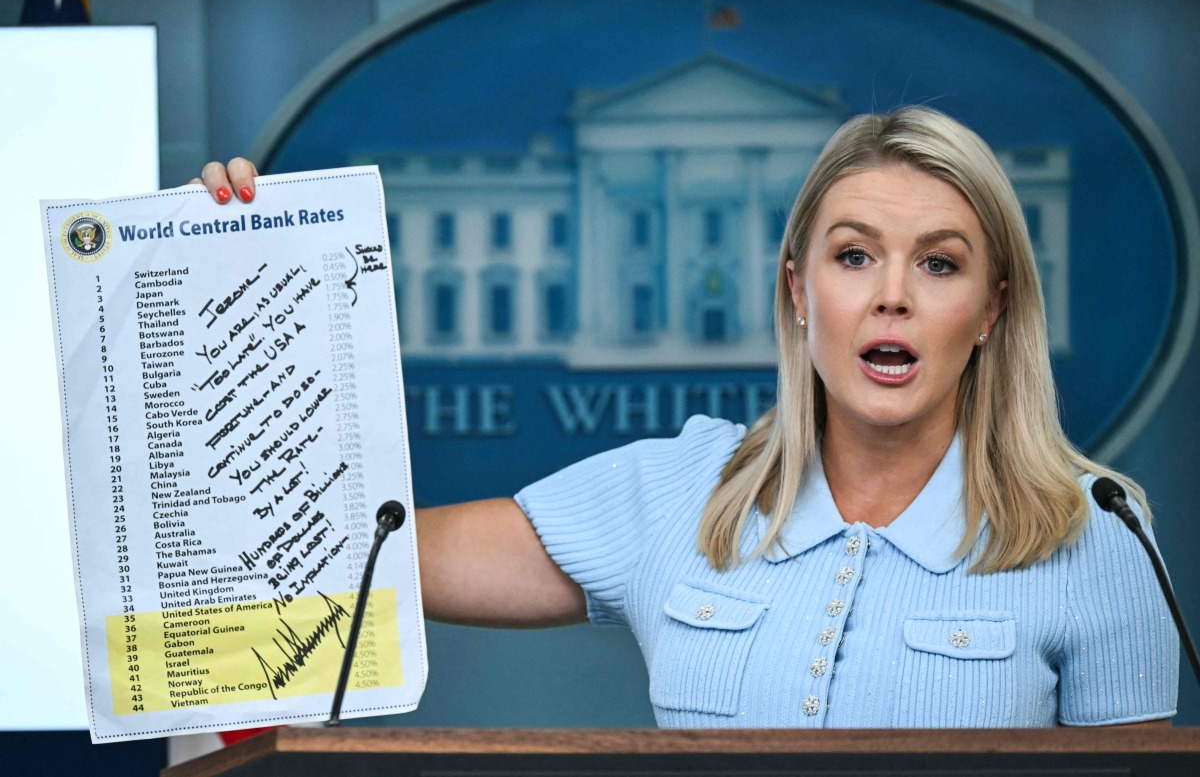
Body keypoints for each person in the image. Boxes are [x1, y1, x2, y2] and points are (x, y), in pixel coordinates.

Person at [195, 107, 1178, 727]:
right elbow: (354, 556)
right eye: (852, 255)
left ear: (993, 307)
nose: (891, 296)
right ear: (798, 293)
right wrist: (236, 292)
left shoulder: (1100, 538)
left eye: (939, 262)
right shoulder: (680, 490)